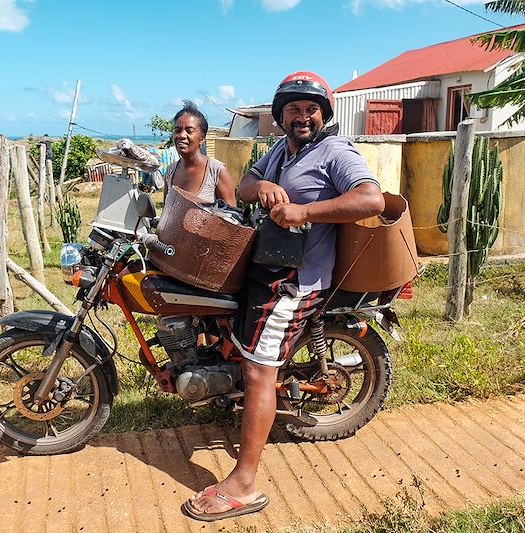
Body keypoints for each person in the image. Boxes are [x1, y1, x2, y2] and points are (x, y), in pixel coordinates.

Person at [183, 72, 385, 521]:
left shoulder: (336, 152)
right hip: (264, 269)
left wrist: (305, 210)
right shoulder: (280, 150)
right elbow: (245, 187)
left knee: (258, 371)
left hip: (296, 282)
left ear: (324, 114)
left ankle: (244, 484)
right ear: (280, 117)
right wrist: (265, 188)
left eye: (310, 109)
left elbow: (372, 200)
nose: (302, 116)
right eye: (292, 109)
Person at [162, 101, 236, 207]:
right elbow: (166, 213)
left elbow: (231, 218)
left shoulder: (216, 171)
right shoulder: (170, 171)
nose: (182, 135)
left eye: (189, 131)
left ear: (202, 139)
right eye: (177, 130)